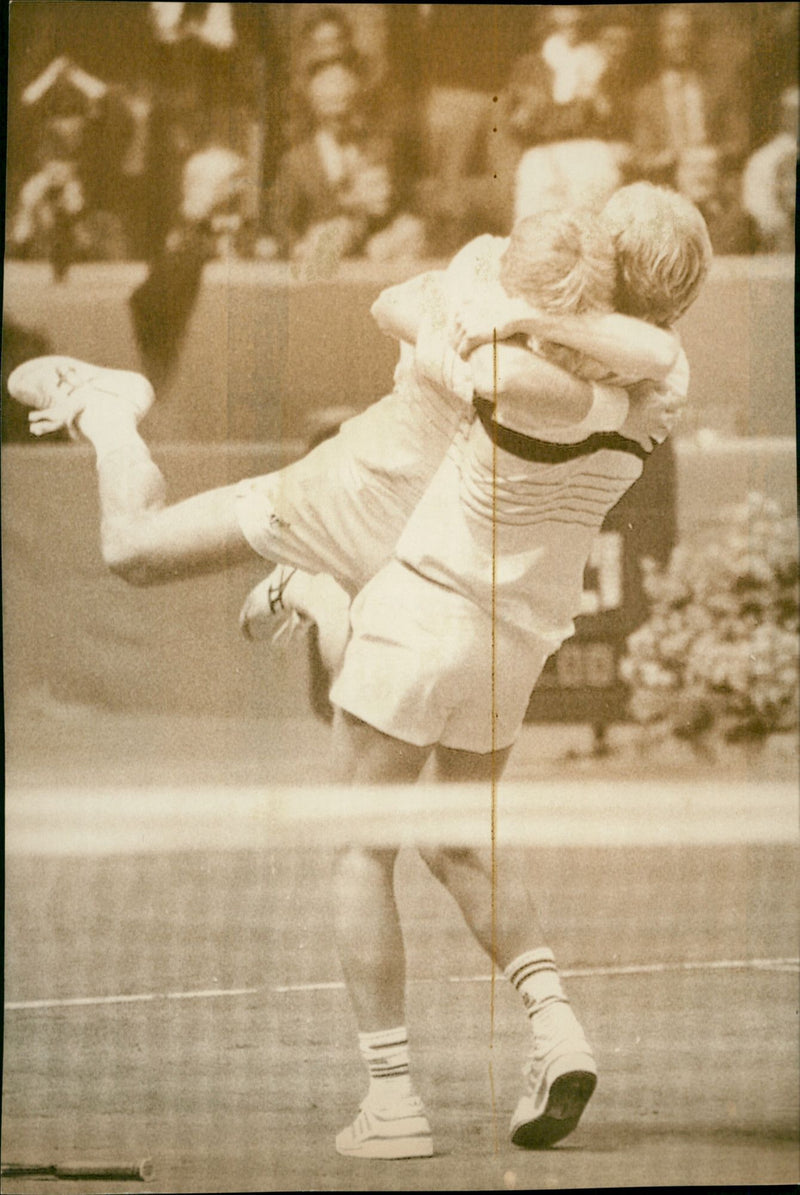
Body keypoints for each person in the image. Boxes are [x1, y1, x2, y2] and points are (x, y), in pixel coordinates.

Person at [255, 186, 710, 1160]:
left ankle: (390, 1103)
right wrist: (546, 312)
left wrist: (484, 303)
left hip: (428, 605)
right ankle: (552, 1028)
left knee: (361, 847)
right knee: (456, 840)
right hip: (517, 646)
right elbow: (649, 352)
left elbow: (414, 321)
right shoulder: (655, 390)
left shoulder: (514, 370)